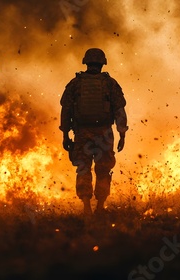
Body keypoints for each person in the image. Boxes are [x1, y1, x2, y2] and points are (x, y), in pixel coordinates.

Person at [60, 48, 128, 216]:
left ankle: (86, 206)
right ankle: (100, 206)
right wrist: (122, 134)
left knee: (83, 168)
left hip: (82, 134)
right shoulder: (110, 83)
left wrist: (65, 134)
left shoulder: (75, 84)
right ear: (102, 63)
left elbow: (66, 110)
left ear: (86, 62)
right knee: (103, 169)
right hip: (104, 133)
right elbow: (120, 110)